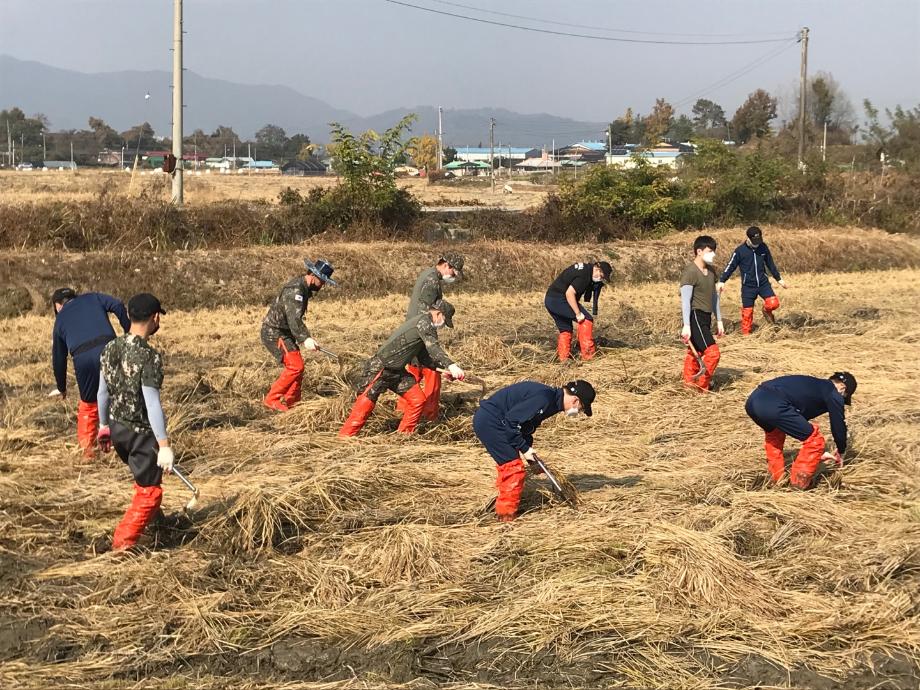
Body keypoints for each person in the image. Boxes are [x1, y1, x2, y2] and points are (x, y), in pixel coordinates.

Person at [96, 293, 172, 549]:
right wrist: (164, 445)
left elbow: (102, 393)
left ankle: (157, 527)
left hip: (117, 428)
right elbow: (152, 404)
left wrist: (103, 426)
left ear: (128, 316)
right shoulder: (149, 356)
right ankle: (123, 544)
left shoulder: (110, 348)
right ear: (155, 318)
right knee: (150, 490)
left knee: (144, 479)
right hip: (140, 434)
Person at [473, 380, 596, 521]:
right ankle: (506, 517)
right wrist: (525, 449)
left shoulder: (551, 401)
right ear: (575, 400)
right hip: (491, 422)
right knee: (513, 469)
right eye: (581, 409)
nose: (579, 412)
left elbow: (525, 427)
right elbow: (512, 422)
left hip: (497, 422)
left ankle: (503, 507)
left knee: (511, 464)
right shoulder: (544, 398)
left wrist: (531, 457)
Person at [339, 298, 465, 437]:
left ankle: (403, 435)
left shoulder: (424, 325)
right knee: (367, 400)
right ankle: (346, 437)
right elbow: (433, 348)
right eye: (444, 321)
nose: (443, 326)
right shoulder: (424, 323)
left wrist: (442, 370)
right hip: (382, 367)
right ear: (439, 313)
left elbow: (424, 357)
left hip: (397, 371)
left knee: (418, 400)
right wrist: (451, 365)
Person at [50, 287, 131, 458]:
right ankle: (128, 444)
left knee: (88, 404)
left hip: (83, 357)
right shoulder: (93, 297)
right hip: (110, 348)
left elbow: (58, 358)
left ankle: (87, 453)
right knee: (120, 396)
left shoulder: (60, 319)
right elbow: (117, 304)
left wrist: (61, 387)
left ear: (57, 306)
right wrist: (129, 332)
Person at [745, 372, 856, 489]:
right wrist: (841, 450)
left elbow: (797, 423)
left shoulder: (814, 385)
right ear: (842, 387)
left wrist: (816, 456)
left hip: (753, 402)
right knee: (815, 441)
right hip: (773, 405)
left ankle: (777, 479)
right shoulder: (833, 393)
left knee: (775, 435)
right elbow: (838, 425)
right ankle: (798, 486)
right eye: (844, 397)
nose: (841, 399)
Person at [261, 258, 337, 412]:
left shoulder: (303, 288)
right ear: (314, 276)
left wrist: (304, 337)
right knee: (296, 366)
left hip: (284, 332)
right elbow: (294, 319)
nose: (323, 285)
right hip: (274, 332)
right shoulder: (296, 290)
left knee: (298, 367)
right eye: (322, 281)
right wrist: (305, 338)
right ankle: (272, 399)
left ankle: (292, 403)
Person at [401, 252, 465, 421]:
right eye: (453, 273)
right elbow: (426, 311)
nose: (453, 277)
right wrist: (447, 363)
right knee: (432, 375)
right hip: (421, 331)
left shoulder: (427, 274)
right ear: (446, 265)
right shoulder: (432, 281)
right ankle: (430, 416)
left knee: (413, 372)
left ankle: (403, 410)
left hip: (412, 331)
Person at [717, 226, 787, 334]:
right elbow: (730, 266)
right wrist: (722, 280)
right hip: (748, 287)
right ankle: (746, 336)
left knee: (773, 303)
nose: (757, 244)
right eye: (755, 241)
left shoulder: (763, 247)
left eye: (759, 240)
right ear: (748, 239)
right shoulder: (740, 251)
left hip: (763, 284)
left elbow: (770, 263)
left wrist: (779, 279)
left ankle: (766, 311)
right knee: (747, 313)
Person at [680, 236, 724, 391]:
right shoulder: (690, 272)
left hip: (706, 317)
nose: (713, 255)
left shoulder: (711, 272)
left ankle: (689, 384)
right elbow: (685, 301)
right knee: (713, 353)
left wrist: (719, 320)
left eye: (714, 251)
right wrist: (686, 325)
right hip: (695, 317)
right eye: (710, 251)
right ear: (699, 251)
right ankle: (701, 386)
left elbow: (714, 297)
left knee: (695, 353)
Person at [544, 260, 612, 361]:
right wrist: (578, 313)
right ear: (598, 269)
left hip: (550, 300)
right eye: (602, 276)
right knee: (586, 320)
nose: (601, 279)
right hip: (559, 300)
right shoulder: (584, 276)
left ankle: (563, 359)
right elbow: (570, 293)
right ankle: (588, 356)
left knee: (565, 329)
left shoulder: (585, 269)